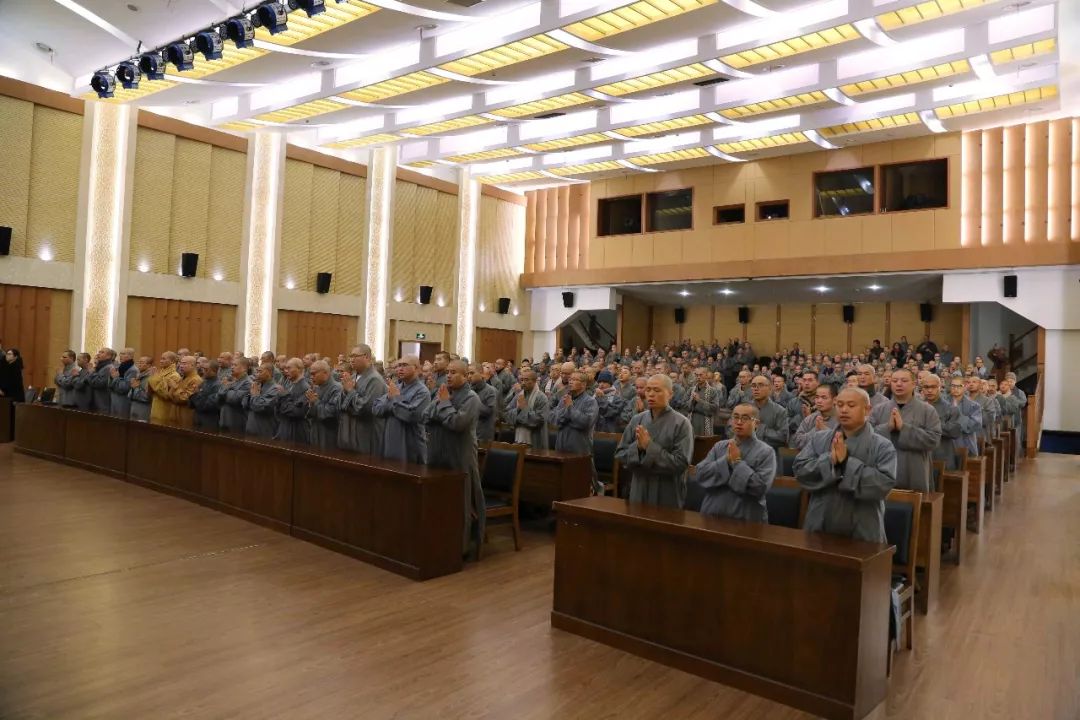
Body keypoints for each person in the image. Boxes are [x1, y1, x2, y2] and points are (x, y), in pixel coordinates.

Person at [794, 387, 897, 543]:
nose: (844, 410)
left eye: (851, 405)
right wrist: (831, 460)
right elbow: (800, 470)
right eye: (840, 405)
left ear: (867, 410)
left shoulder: (883, 446)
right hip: (820, 520)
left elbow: (884, 485)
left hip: (863, 525)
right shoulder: (819, 439)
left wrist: (846, 462)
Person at [423, 360, 483, 557]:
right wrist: (443, 408)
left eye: (453, 372)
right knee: (440, 500)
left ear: (465, 376)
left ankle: (461, 546)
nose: (448, 375)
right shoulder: (443, 391)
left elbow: (457, 424)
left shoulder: (472, 398)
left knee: (461, 502)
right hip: (439, 451)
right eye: (447, 372)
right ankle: (441, 540)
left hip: (461, 454)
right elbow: (426, 415)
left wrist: (444, 405)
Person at [692, 403, 775, 523]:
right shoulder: (720, 446)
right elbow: (700, 474)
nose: (739, 422)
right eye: (735, 417)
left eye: (745, 418)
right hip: (712, 514)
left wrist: (737, 462)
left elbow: (759, 488)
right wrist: (725, 460)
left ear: (756, 423)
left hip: (746, 518)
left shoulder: (766, 452)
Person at [870, 368, 941, 492]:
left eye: (904, 380)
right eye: (895, 380)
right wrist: (888, 427)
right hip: (883, 469)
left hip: (914, 469)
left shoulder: (927, 410)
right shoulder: (878, 409)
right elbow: (867, 438)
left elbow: (934, 440)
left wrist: (904, 428)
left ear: (914, 384)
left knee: (915, 508)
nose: (898, 384)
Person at [373, 355, 430, 464]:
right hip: (389, 442)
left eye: (404, 365)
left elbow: (410, 415)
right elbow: (376, 408)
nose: (400, 369)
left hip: (411, 445)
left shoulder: (422, 391)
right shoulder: (396, 387)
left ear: (417, 369)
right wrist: (392, 402)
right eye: (398, 366)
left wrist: (394, 399)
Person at [552, 370, 599, 492]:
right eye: (570, 379)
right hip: (561, 447)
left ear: (583, 384)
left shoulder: (590, 402)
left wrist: (570, 409)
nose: (570, 381)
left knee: (578, 487)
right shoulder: (565, 398)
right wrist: (570, 416)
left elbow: (585, 423)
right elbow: (555, 419)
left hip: (579, 449)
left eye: (574, 379)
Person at [338, 344, 387, 455]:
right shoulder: (354, 376)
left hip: (367, 435)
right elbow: (342, 406)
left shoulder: (375, 380)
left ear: (366, 357)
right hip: (350, 435)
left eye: (355, 356)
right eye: (350, 356)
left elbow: (366, 409)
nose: (351, 359)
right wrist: (345, 391)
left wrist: (350, 391)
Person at [922, 374, 962, 472]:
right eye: (926, 387)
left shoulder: (951, 409)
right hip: (920, 454)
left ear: (940, 387)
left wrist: (931, 424)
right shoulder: (916, 407)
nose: (929, 390)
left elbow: (954, 432)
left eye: (933, 387)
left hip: (941, 455)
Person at [748, 374, 788, 471]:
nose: (756, 389)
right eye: (753, 385)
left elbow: (782, 437)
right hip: (746, 459)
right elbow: (731, 431)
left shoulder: (780, 411)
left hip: (770, 461)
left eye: (761, 385)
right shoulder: (743, 408)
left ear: (770, 389)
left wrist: (760, 428)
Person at [504, 368, 548, 450]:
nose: (523, 383)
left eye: (526, 380)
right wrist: (518, 410)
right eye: (522, 380)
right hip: (518, 440)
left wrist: (524, 409)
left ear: (534, 381)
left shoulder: (542, 398)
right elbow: (507, 413)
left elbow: (539, 420)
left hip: (535, 440)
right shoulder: (519, 396)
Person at [305, 360, 342, 450]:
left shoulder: (337, 388)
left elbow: (330, 412)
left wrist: (315, 402)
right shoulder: (317, 387)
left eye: (314, 374)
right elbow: (310, 414)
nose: (311, 377)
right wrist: (310, 404)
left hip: (329, 434)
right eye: (310, 374)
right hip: (315, 432)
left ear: (325, 373)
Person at [793, 384, 839, 450]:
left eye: (824, 397)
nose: (819, 401)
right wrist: (815, 430)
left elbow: (842, 444)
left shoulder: (842, 419)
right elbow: (798, 441)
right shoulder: (810, 418)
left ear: (834, 400)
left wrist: (824, 430)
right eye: (817, 397)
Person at [274, 358, 310, 443]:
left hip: (296, 430)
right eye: (285, 368)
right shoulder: (289, 383)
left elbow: (296, 412)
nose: (286, 371)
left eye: (289, 368)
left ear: (299, 369)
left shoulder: (305, 387)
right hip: (285, 426)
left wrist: (283, 395)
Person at [243, 362, 283, 438]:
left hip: (264, 431)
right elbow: (244, 404)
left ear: (269, 373)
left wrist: (254, 396)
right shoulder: (257, 385)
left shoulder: (276, 389)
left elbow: (259, 407)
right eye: (256, 371)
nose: (256, 374)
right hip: (250, 429)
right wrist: (252, 396)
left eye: (260, 371)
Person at [948, 376, 982, 459]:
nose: (955, 388)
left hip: (966, 445)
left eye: (959, 386)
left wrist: (957, 413)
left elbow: (974, 425)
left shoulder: (974, 405)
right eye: (953, 386)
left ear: (965, 387)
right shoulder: (943, 402)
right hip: (947, 445)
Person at [219, 356, 253, 434]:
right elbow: (219, 395)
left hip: (236, 422)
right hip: (224, 420)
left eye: (235, 365)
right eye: (232, 365)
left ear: (244, 368)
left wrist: (226, 388)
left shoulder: (247, 383)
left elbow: (234, 399)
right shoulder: (232, 380)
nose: (232, 367)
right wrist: (229, 389)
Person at [687, 367, 721, 436]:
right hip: (692, 421)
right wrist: (692, 402)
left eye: (701, 375)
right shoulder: (691, 390)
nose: (698, 377)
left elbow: (715, 408)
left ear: (706, 375)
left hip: (705, 421)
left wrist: (699, 400)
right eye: (696, 375)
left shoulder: (712, 391)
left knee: (705, 445)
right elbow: (684, 407)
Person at [147, 351, 181, 423]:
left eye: (164, 359)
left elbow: (165, 395)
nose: (161, 361)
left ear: (172, 361)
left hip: (165, 411)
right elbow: (150, 391)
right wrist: (151, 377)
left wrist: (154, 378)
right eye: (161, 358)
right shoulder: (160, 372)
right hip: (155, 409)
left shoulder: (174, 376)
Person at [189, 358, 222, 430]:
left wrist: (197, 394)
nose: (203, 372)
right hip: (197, 418)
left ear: (214, 371)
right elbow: (191, 405)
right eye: (203, 369)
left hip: (209, 421)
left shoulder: (218, 385)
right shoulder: (203, 382)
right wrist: (194, 394)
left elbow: (208, 405)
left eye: (206, 369)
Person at [469, 364, 497, 443]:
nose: (469, 376)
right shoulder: (468, 389)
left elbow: (488, 411)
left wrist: (473, 401)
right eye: (468, 374)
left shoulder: (491, 390)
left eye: (472, 373)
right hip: (469, 433)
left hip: (483, 435)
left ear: (481, 373)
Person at [108, 348, 138, 418]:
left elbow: (125, 388)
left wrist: (115, 378)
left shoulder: (133, 370)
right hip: (114, 399)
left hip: (123, 401)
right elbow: (110, 385)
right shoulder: (120, 367)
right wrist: (112, 378)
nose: (120, 355)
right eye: (120, 354)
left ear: (130, 356)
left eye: (123, 354)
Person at [89, 348, 116, 412]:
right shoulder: (100, 367)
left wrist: (91, 373)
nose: (98, 354)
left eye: (102, 352)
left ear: (109, 356)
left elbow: (99, 383)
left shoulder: (108, 367)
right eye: (99, 352)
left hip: (102, 402)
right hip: (96, 401)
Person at [127, 356, 153, 422]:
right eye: (139, 362)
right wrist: (133, 388)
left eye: (142, 362)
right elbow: (130, 394)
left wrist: (136, 388)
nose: (139, 364)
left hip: (143, 409)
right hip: (134, 407)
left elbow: (147, 397)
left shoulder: (150, 378)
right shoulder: (138, 375)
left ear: (149, 365)